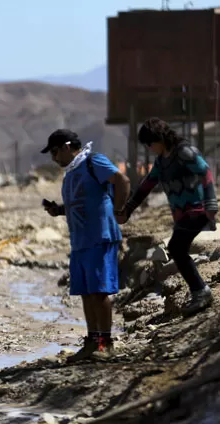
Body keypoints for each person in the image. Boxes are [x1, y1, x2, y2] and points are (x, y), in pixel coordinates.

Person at [40, 129, 131, 362]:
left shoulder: (93, 162)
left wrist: (120, 210)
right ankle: (92, 342)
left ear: (68, 146)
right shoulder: (71, 173)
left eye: (55, 152)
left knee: (99, 292)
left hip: (99, 237)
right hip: (80, 241)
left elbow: (122, 180)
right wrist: (58, 210)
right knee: (86, 293)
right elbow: (79, 202)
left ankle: (105, 344)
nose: (53, 158)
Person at [115, 117, 218, 315]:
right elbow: (146, 185)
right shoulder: (162, 162)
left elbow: (205, 172)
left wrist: (211, 203)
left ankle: (201, 292)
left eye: (150, 143)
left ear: (160, 138)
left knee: (176, 248)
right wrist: (128, 209)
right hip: (181, 214)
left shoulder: (184, 152)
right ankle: (199, 291)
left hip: (196, 210)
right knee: (178, 249)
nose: (149, 147)